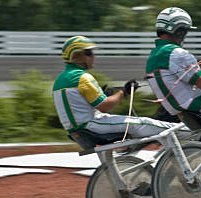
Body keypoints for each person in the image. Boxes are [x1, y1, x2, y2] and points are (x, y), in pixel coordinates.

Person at [53, 35, 188, 139]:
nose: (93, 56)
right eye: (88, 53)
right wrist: (123, 92)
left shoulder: (61, 79)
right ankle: (190, 132)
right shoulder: (81, 77)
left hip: (77, 129)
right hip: (91, 126)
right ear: (76, 56)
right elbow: (105, 106)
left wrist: (108, 95)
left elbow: (80, 106)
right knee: (142, 123)